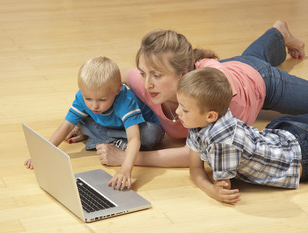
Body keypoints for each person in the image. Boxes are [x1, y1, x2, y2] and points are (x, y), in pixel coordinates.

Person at [93, 20, 308, 168]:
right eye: (143, 73)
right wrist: (90, 112)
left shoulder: (211, 94)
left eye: (157, 75)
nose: (147, 84)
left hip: (258, 80)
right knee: (250, 56)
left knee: (253, 61)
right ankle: (278, 31)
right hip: (230, 68)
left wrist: (128, 158)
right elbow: (113, 77)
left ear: (184, 74)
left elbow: (196, 155)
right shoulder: (147, 84)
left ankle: (278, 33)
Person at [24, 56, 164, 190]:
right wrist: (41, 155)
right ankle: (111, 141)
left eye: (102, 100)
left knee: (152, 135)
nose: (94, 106)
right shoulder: (82, 96)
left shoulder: (125, 100)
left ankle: (100, 138)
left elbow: (134, 138)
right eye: (88, 99)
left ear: (118, 90)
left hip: (137, 129)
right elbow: (66, 126)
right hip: (108, 125)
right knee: (78, 120)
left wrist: (125, 170)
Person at [176, 67, 308, 204]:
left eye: (184, 109)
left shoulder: (222, 142)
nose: (177, 111)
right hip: (282, 133)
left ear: (210, 116)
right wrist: (211, 189)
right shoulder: (198, 124)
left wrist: (214, 191)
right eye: (179, 105)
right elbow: (195, 167)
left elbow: (223, 186)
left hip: (300, 157)